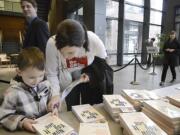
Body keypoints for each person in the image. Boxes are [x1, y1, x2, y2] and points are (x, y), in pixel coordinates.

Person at [46, 19, 112, 111]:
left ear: (82, 43)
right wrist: (55, 95)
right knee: (69, 105)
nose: (66, 57)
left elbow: (103, 65)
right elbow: (51, 73)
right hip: (65, 77)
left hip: (87, 77)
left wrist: (90, 76)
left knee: (91, 108)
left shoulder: (93, 40)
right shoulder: (52, 44)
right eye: (62, 52)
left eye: (70, 53)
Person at [0, 47, 58, 132]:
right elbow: (3, 116)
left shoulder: (45, 84)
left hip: (46, 128)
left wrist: (53, 107)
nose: (37, 81)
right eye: (31, 77)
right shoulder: (11, 93)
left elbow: (50, 100)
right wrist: (22, 122)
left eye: (41, 75)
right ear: (19, 72)